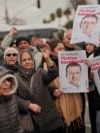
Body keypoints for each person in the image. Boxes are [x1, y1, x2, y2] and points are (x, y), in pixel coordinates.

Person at [15, 48, 64, 133]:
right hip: (30, 122)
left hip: (49, 119)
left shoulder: (39, 73)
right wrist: (28, 105)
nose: (27, 62)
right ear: (19, 63)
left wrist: (48, 59)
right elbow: (13, 98)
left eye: (29, 59)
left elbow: (53, 73)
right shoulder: (15, 78)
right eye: (24, 60)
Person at [0, 66, 24, 133]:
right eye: (3, 81)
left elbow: (18, 123)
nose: (8, 83)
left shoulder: (12, 98)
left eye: (8, 80)